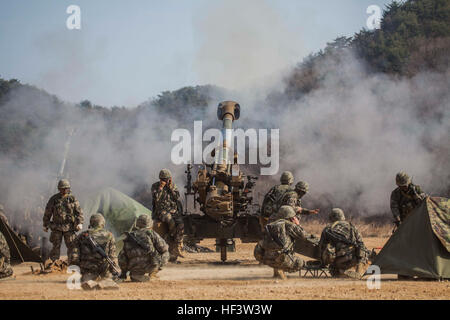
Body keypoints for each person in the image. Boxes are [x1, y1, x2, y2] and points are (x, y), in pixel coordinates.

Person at [254, 206, 312, 280]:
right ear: (290, 216)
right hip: (281, 259)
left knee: (277, 251)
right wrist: (297, 225)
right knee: (301, 263)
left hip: (266, 259)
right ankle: (281, 270)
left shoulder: (270, 225)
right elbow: (304, 236)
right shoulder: (288, 225)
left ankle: (277, 272)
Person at [318, 208, 373, 279]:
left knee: (328, 250)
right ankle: (358, 270)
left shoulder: (328, 229)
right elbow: (361, 244)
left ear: (332, 217)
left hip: (340, 260)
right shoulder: (352, 227)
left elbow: (321, 247)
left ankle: (340, 272)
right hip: (354, 259)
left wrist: (323, 262)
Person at [70, 213, 118, 290]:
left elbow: (74, 255)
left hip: (87, 269)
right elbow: (112, 255)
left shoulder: (82, 235)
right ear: (102, 223)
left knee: (87, 279)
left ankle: (89, 282)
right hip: (104, 270)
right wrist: (114, 269)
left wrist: (76, 268)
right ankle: (106, 282)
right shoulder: (109, 235)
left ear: (91, 222)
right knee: (107, 278)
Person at [43, 179, 84, 264]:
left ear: (68, 188)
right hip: (56, 227)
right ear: (59, 188)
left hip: (69, 227)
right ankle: (54, 263)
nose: (64, 190)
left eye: (66, 188)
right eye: (62, 188)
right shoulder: (54, 199)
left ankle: (72, 263)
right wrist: (45, 224)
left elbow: (79, 212)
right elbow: (48, 212)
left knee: (72, 246)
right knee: (55, 246)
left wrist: (80, 223)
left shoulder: (72, 199)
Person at [118, 214, 169, 282]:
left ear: (138, 223)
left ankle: (135, 274)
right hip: (150, 266)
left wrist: (123, 272)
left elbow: (122, 256)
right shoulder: (151, 233)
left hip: (134, 267)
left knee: (122, 254)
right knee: (166, 253)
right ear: (149, 223)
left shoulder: (130, 236)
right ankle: (153, 273)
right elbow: (163, 249)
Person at [151, 169, 184, 262]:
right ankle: (173, 240)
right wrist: (160, 188)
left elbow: (177, 198)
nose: (166, 181)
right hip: (161, 211)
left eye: (168, 179)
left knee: (180, 223)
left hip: (173, 210)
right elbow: (156, 199)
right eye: (164, 179)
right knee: (170, 221)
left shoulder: (173, 186)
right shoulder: (155, 186)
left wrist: (170, 188)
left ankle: (178, 244)